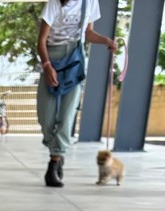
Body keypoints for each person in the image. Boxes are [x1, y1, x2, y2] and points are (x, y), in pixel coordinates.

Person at [36, 0, 116, 187]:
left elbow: (87, 33)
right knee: (45, 118)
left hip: (74, 60)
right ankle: (56, 149)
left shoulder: (89, 3)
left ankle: (55, 162)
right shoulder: (54, 4)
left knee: (67, 115)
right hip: (52, 57)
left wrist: (106, 41)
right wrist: (47, 66)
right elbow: (41, 40)